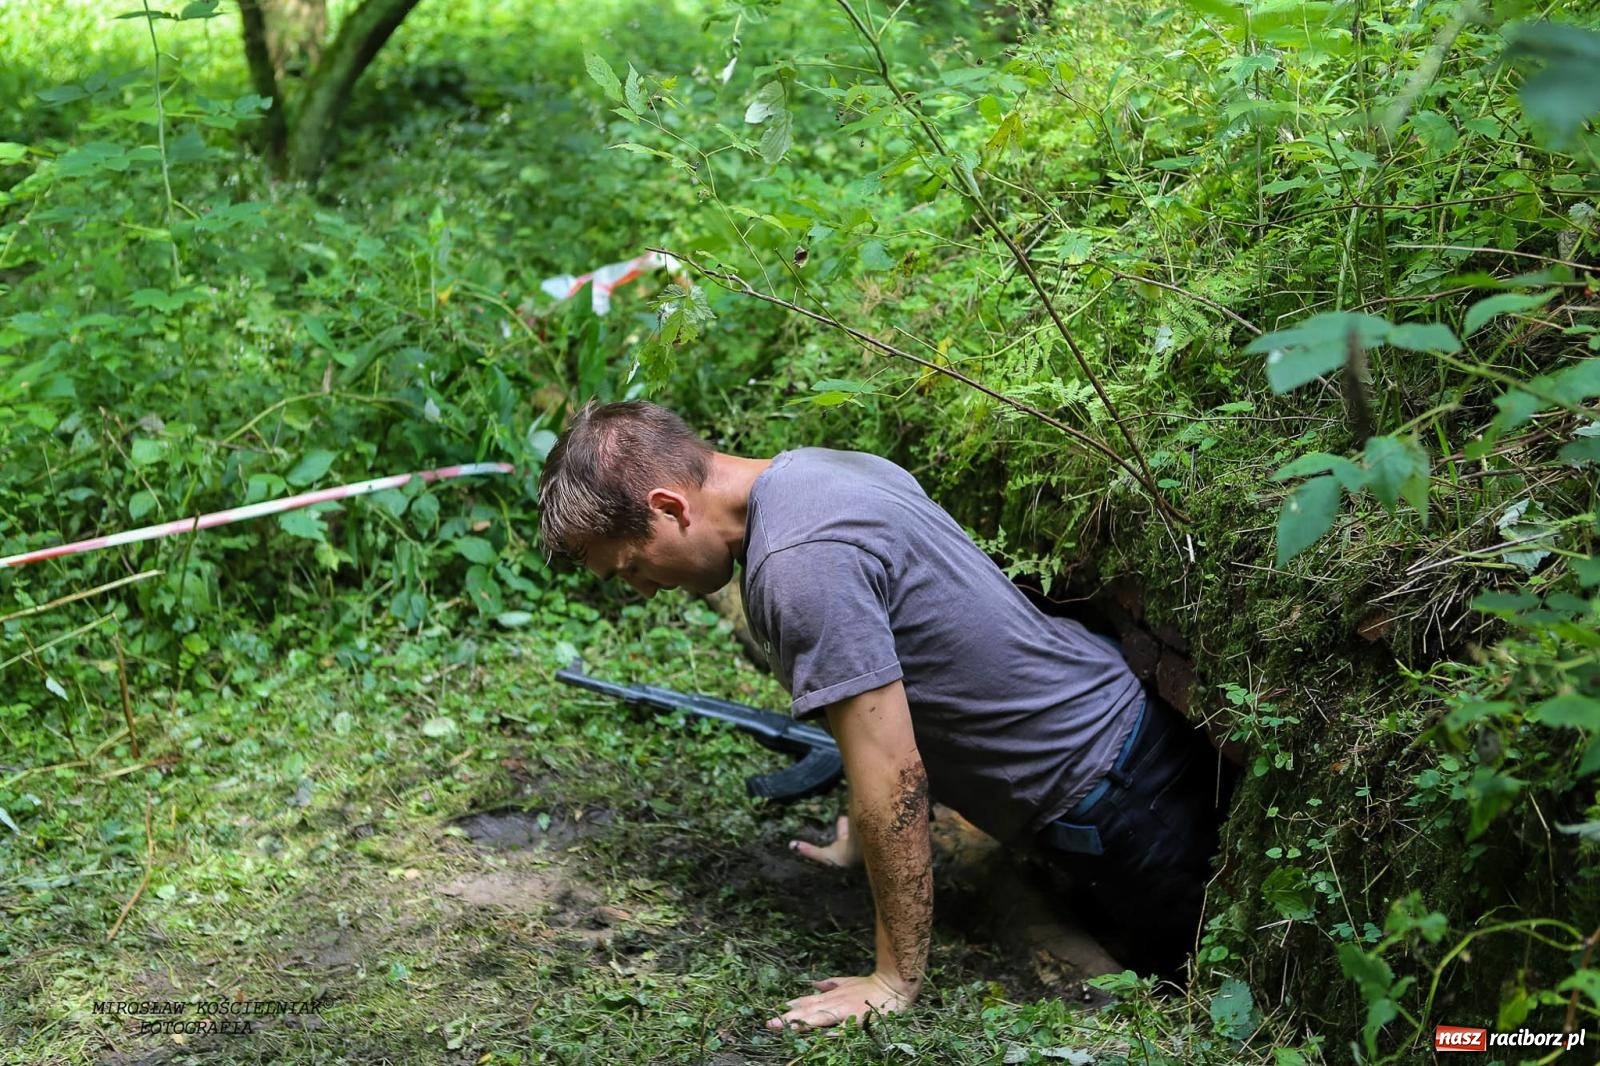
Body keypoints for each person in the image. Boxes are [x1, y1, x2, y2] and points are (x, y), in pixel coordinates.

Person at [538, 400, 1224, 1031]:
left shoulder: (797, 566)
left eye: (631, 567)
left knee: (1201, 994)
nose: (645, 588)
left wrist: (892, 979)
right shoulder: (813, 473)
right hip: (1122, 731)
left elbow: (892, 775)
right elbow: (891, 692)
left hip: (1119, 799)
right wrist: (859, 842)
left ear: (668, 506)